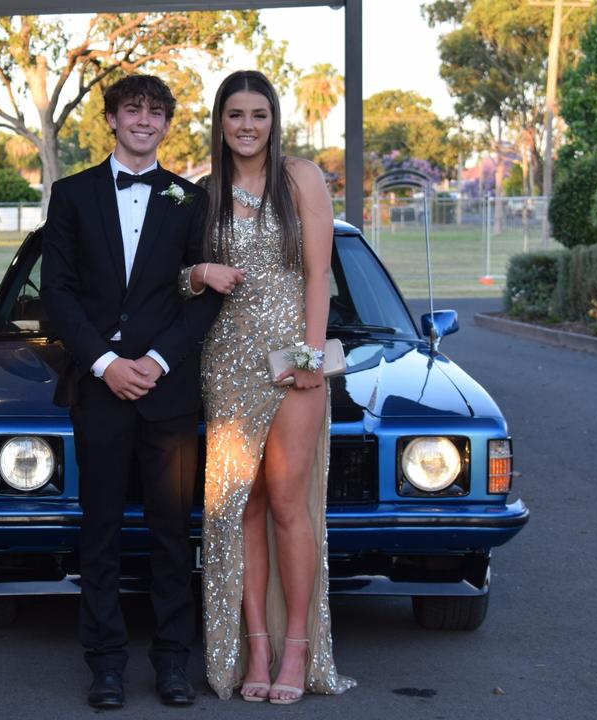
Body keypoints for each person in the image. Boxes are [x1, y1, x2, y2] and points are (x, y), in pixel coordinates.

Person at [41, 74, 221, 710]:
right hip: (99, 390)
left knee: (174, 531)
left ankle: (173, 663)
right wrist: (104, 363)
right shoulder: (70, 195)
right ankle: (106, 664)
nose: (143, 120)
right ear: (111, 120)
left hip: (167, 394)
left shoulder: (190, 199)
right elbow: (56, 293)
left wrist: (158, 361)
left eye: (155, 112)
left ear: (167, 125)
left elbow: (203, 298)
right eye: (131, 110)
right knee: (101, 530)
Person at [179, 70, 356, 704]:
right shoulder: (206, 193)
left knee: (287, 503)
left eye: (258, 114)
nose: (247, 125)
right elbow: (176, 280)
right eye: (235, 115)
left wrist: (310, 354)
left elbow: (319, 276)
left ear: (274, 121)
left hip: (293, 362)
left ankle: (298, 649)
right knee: (240, 507)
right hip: (226, 363)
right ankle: (255, 644)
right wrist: (197, 272)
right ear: (220, 123)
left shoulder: (301, 178)